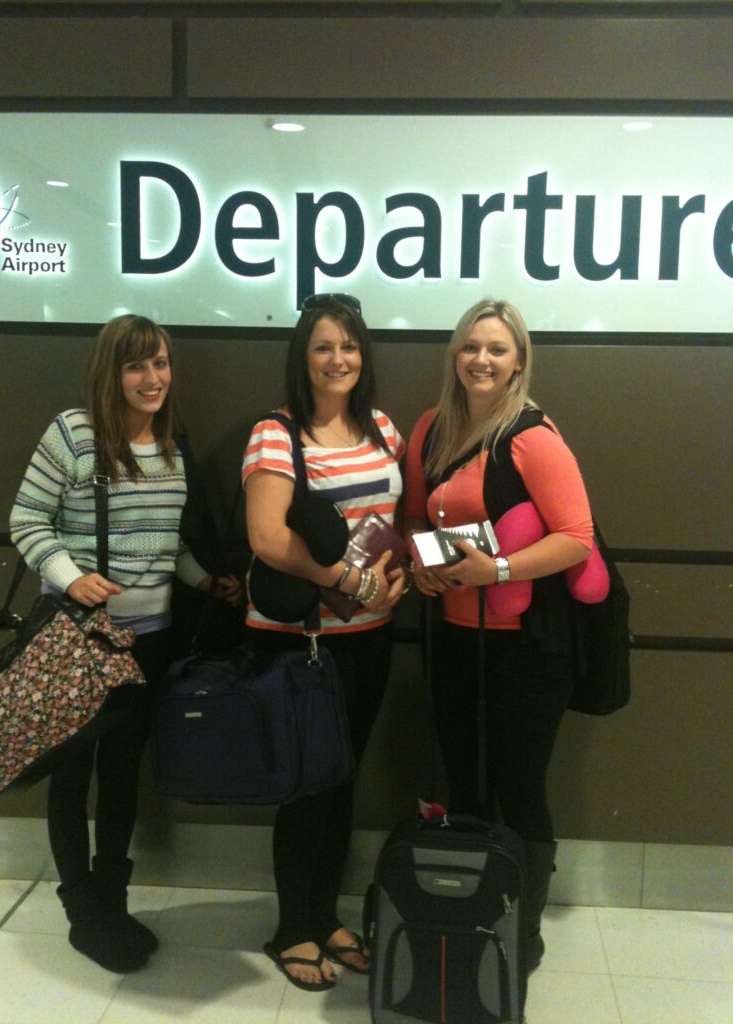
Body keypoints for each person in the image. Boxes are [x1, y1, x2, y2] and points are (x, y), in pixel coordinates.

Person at [9, 314, 241, 973]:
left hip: (148, 643)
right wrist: (71, 577)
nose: (151, 377)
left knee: (120, 775)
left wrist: (204, 581)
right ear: (110, 373)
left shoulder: (171, 445)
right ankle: (80, 906)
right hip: (80, 640)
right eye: (135, 365)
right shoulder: (73, 433)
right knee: (71, 773)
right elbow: (26, 518)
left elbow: (168, 547)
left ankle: (111, 898)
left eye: (160, 363)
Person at [404, 298, 596, 973]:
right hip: (454, 643)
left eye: (496, 349)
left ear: (518, 362)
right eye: (470, 346)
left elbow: (577, 538)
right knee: (464, 786)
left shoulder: (531, 436)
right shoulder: (430, 428)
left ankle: (524, 933)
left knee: (520, 790)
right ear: (454, 355)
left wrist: (500, 570)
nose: (481, 360)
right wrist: (422, 565)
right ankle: (472, 920)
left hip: (527, 651)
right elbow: (413, 519)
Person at [243, 293, 406, 991]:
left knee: (343, 781)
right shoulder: (276, 433)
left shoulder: (384, 429)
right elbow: (267, 538)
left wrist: (394, 582)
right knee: (307, 786)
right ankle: (292, 929)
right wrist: (350, 580)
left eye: (349, 345)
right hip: (302, 644)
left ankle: (325, 915)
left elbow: (399, 515)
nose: (338, 359)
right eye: (323, 346)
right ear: (302, 356)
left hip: (371, 637)